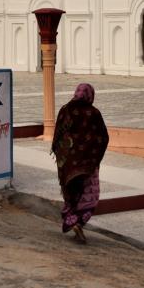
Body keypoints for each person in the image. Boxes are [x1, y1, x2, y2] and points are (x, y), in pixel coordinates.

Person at [50, 82, 109, 243]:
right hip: (87, 165)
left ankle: (71, 219)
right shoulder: (94, 113)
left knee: (71, 194)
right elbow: (103, 138)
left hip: (67, 165)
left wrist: (63, 159)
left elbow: (57, 138)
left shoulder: (65, 110)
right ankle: (77, 222)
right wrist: (95, 157)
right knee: (90, 195)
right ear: (90, 95)